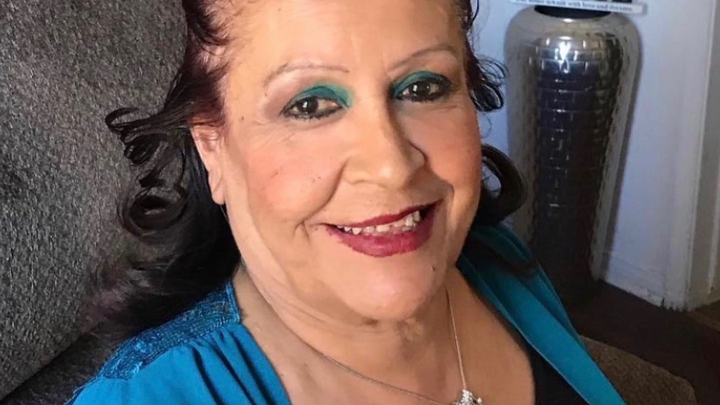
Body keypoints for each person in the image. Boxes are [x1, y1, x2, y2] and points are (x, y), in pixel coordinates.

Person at [67, 0, 626, 404]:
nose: (390, 165)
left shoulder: (497, 259)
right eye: (310, 105)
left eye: (423, 87)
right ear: (213, 146)